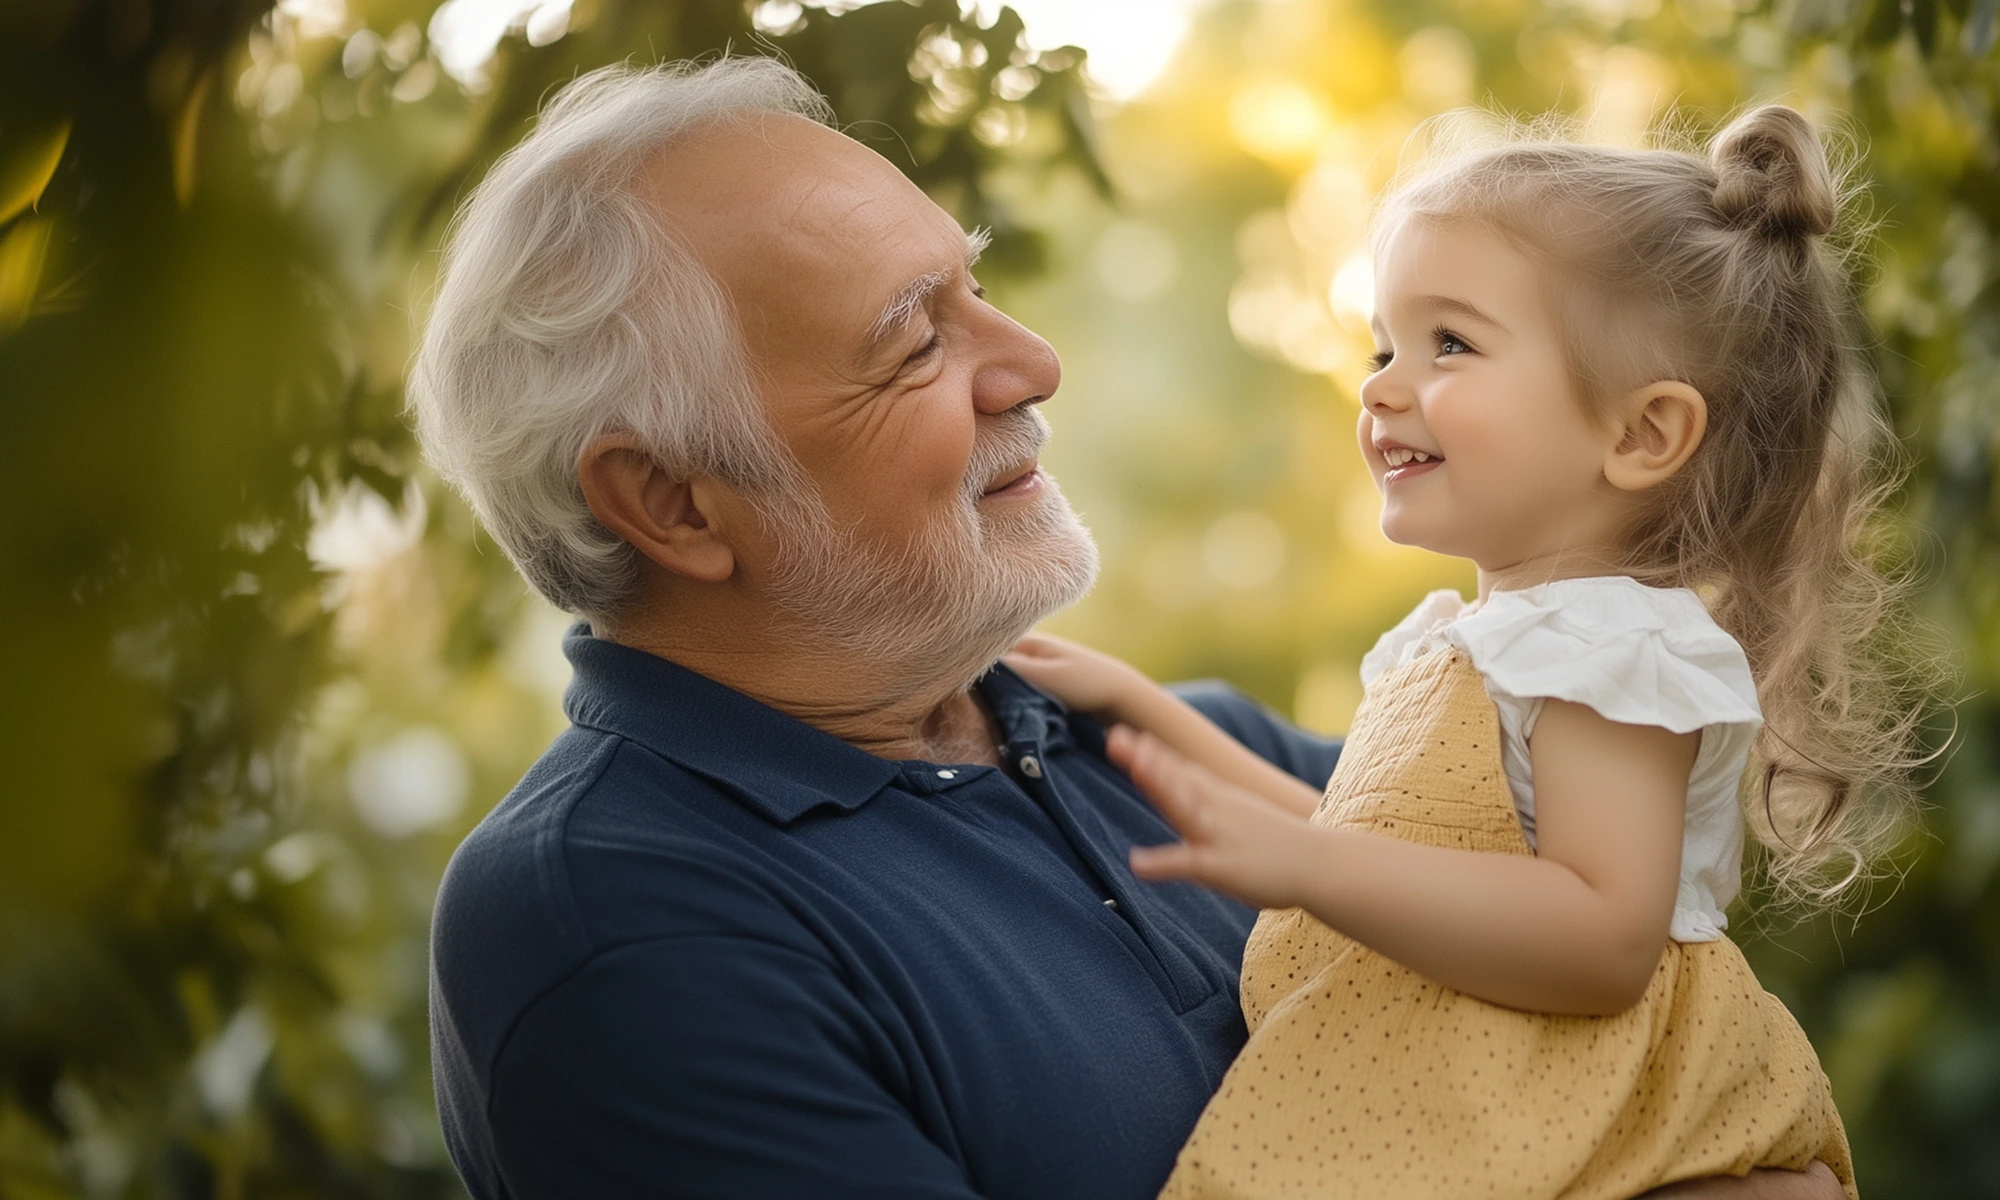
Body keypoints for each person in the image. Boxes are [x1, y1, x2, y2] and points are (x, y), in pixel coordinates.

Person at [410, 58, 1846, 1200]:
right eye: (916, 339)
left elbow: (1618, 968)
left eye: (976, 283)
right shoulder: (615, 929)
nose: (1031, 360)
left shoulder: (1186, 739)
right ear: (673, 504)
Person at [1007, 105, 1929, 1199]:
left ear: (1639, 435)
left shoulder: (1611, 650)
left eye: (1448, 344)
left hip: (1578, 1121)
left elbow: (1599, 938)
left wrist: (1302, 865)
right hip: (1469, 1102)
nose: (1381, 385)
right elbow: (1367, 847)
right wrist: (1145, 711)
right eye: (1381, 345)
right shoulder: (1463, 643)